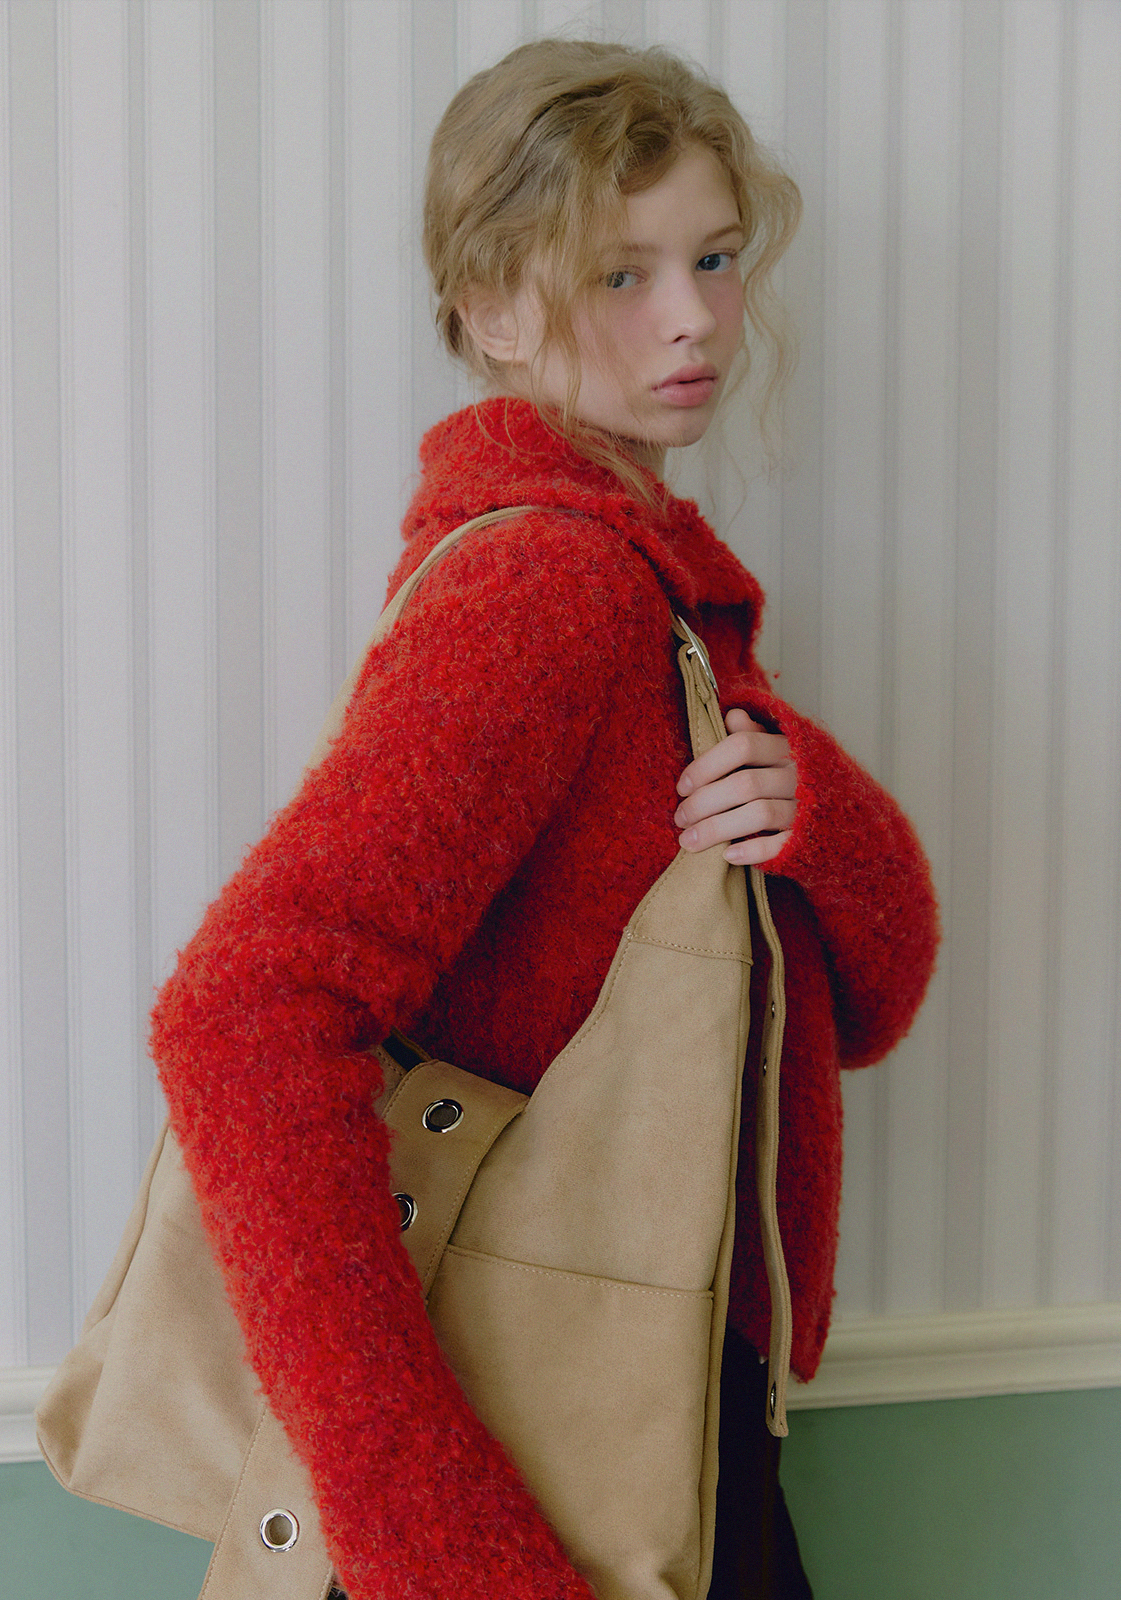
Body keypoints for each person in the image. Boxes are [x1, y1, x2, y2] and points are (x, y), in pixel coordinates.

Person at [150, 38, 938, 1600]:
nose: (694, 315)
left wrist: (816, 811)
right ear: (494, 306)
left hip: (652, 1401)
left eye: (715, 257)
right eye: (620, 274)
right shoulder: (548, 589)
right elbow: (239, 1017)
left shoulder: (653, 594)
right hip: (535, 1457)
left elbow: (874, 1003)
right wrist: (436, 1546)